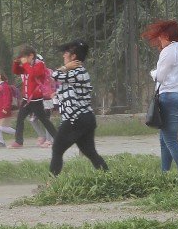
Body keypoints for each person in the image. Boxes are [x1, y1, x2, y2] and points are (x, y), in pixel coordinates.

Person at [49, 40, 108, 176]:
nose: (63, 55)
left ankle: (51, 184)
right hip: (84, 118)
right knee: (90, 152)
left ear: (73, 57)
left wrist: (65, 67)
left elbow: (54, 75)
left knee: (57, 149)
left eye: (66, 53)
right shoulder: (75, 72)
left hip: (75, 118)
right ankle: (108, 177)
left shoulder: (78, 72)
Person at [143, 20, 178, 172]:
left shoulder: (169, 51)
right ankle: (164, 173)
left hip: (170, 98)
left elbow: (160, 76)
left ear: (165, 35)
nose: (159, 42)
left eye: (160, 38)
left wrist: (152, 73)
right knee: (164, 139)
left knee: (170, 140)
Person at [10, 46, 58, 148]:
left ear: (31, 56)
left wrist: (26, 64)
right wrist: (16, 63)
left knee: (44, 120)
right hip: (26, 99)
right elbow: (16, 71)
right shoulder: (26, 65)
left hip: (36, 100)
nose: (23, 60)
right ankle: (19, 141)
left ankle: (57, 139)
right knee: (20, 119)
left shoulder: (39, 64)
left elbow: (33, 74)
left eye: (25, 57)